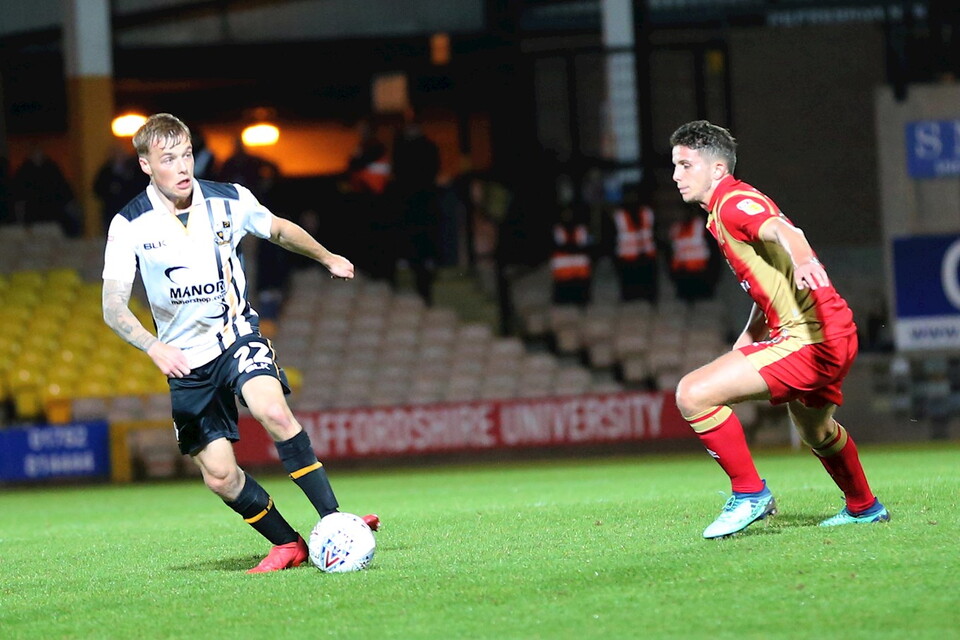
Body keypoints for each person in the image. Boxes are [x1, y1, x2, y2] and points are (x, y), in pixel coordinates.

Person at [101, 113, 379, 573]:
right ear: (146, 165)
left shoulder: (229, 198)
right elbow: (113, 306)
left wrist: (327, 256)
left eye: (187, 154)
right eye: (168, 159)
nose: (182, 166)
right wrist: (153, 347)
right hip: (185, 361)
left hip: (235, 337)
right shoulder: (129, 224)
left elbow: (280, 229)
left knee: (273, 411)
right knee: (219, 475)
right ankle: (288, 543)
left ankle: (335, 521)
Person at [669, 120, 888, 538]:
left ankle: (749, 494)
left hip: (811, 340)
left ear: (718, 169)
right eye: (675, 165)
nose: (676, 175)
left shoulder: (733, 203)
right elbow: (771, 278)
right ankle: (864, 508)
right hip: (834, 332)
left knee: (692, 394)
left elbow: (786, 231)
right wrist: (751, 333)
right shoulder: (724, 209)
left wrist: (805, 259)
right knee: (816, 430)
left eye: (686, 165)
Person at [391, 108, 441, 305]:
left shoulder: (427, 147)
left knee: (422, 246)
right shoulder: (401, 146)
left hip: (423, 207)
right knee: (413, 246)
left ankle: (426, 276)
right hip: (409, 208)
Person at [607, 179, 658, 303]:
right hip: (627, 260)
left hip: (647, 258)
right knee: (629, 294)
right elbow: (611, 240)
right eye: (629, 196)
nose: (632, 199)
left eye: (634, 195)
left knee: (648, 293)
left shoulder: (648, 213)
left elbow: (654, 234)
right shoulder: (618, 216)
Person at [667, 207, 720, 303]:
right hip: (683, 274)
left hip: (702, 273)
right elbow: (672, 252)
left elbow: (713, 249)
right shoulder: (676, 228)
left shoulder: (702, 225)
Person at [94, 143, 148, 231]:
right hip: (111, 211)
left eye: (120, 153)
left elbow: (139, 187)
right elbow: (97, 189)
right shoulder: (106, 172)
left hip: (132, 210)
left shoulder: (133, 169)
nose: (118, 156)